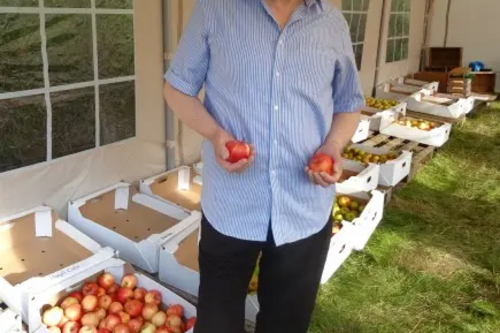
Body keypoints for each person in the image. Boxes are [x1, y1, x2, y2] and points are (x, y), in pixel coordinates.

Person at [163, 0, 364, 332]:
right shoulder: (215, 10)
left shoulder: (332, 22)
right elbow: (177, 89)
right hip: (232, 205)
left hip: (303, 208)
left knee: (286, 323)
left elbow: (349, 103)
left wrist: (332, 145)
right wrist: (216, 134)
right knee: (217, 322)